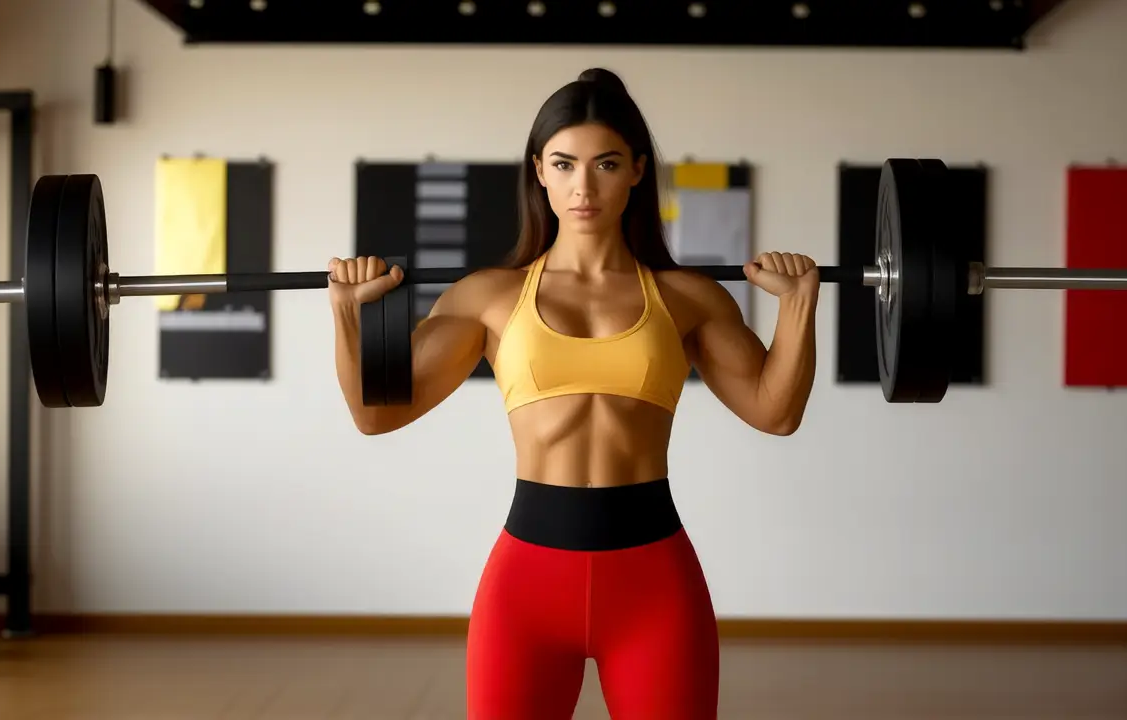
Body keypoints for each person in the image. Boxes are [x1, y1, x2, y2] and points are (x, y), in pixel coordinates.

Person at [326, 68, 819, 720]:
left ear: (638, 171)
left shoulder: (687, 298)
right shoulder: (490, 296)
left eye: (605, 164)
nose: (583, 187)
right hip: (527, 587)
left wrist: (798, 306)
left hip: (653, 584)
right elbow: (375, 415)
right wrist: (347, 313)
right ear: (539, 171)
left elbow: (775, 412)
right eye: (564, 164)